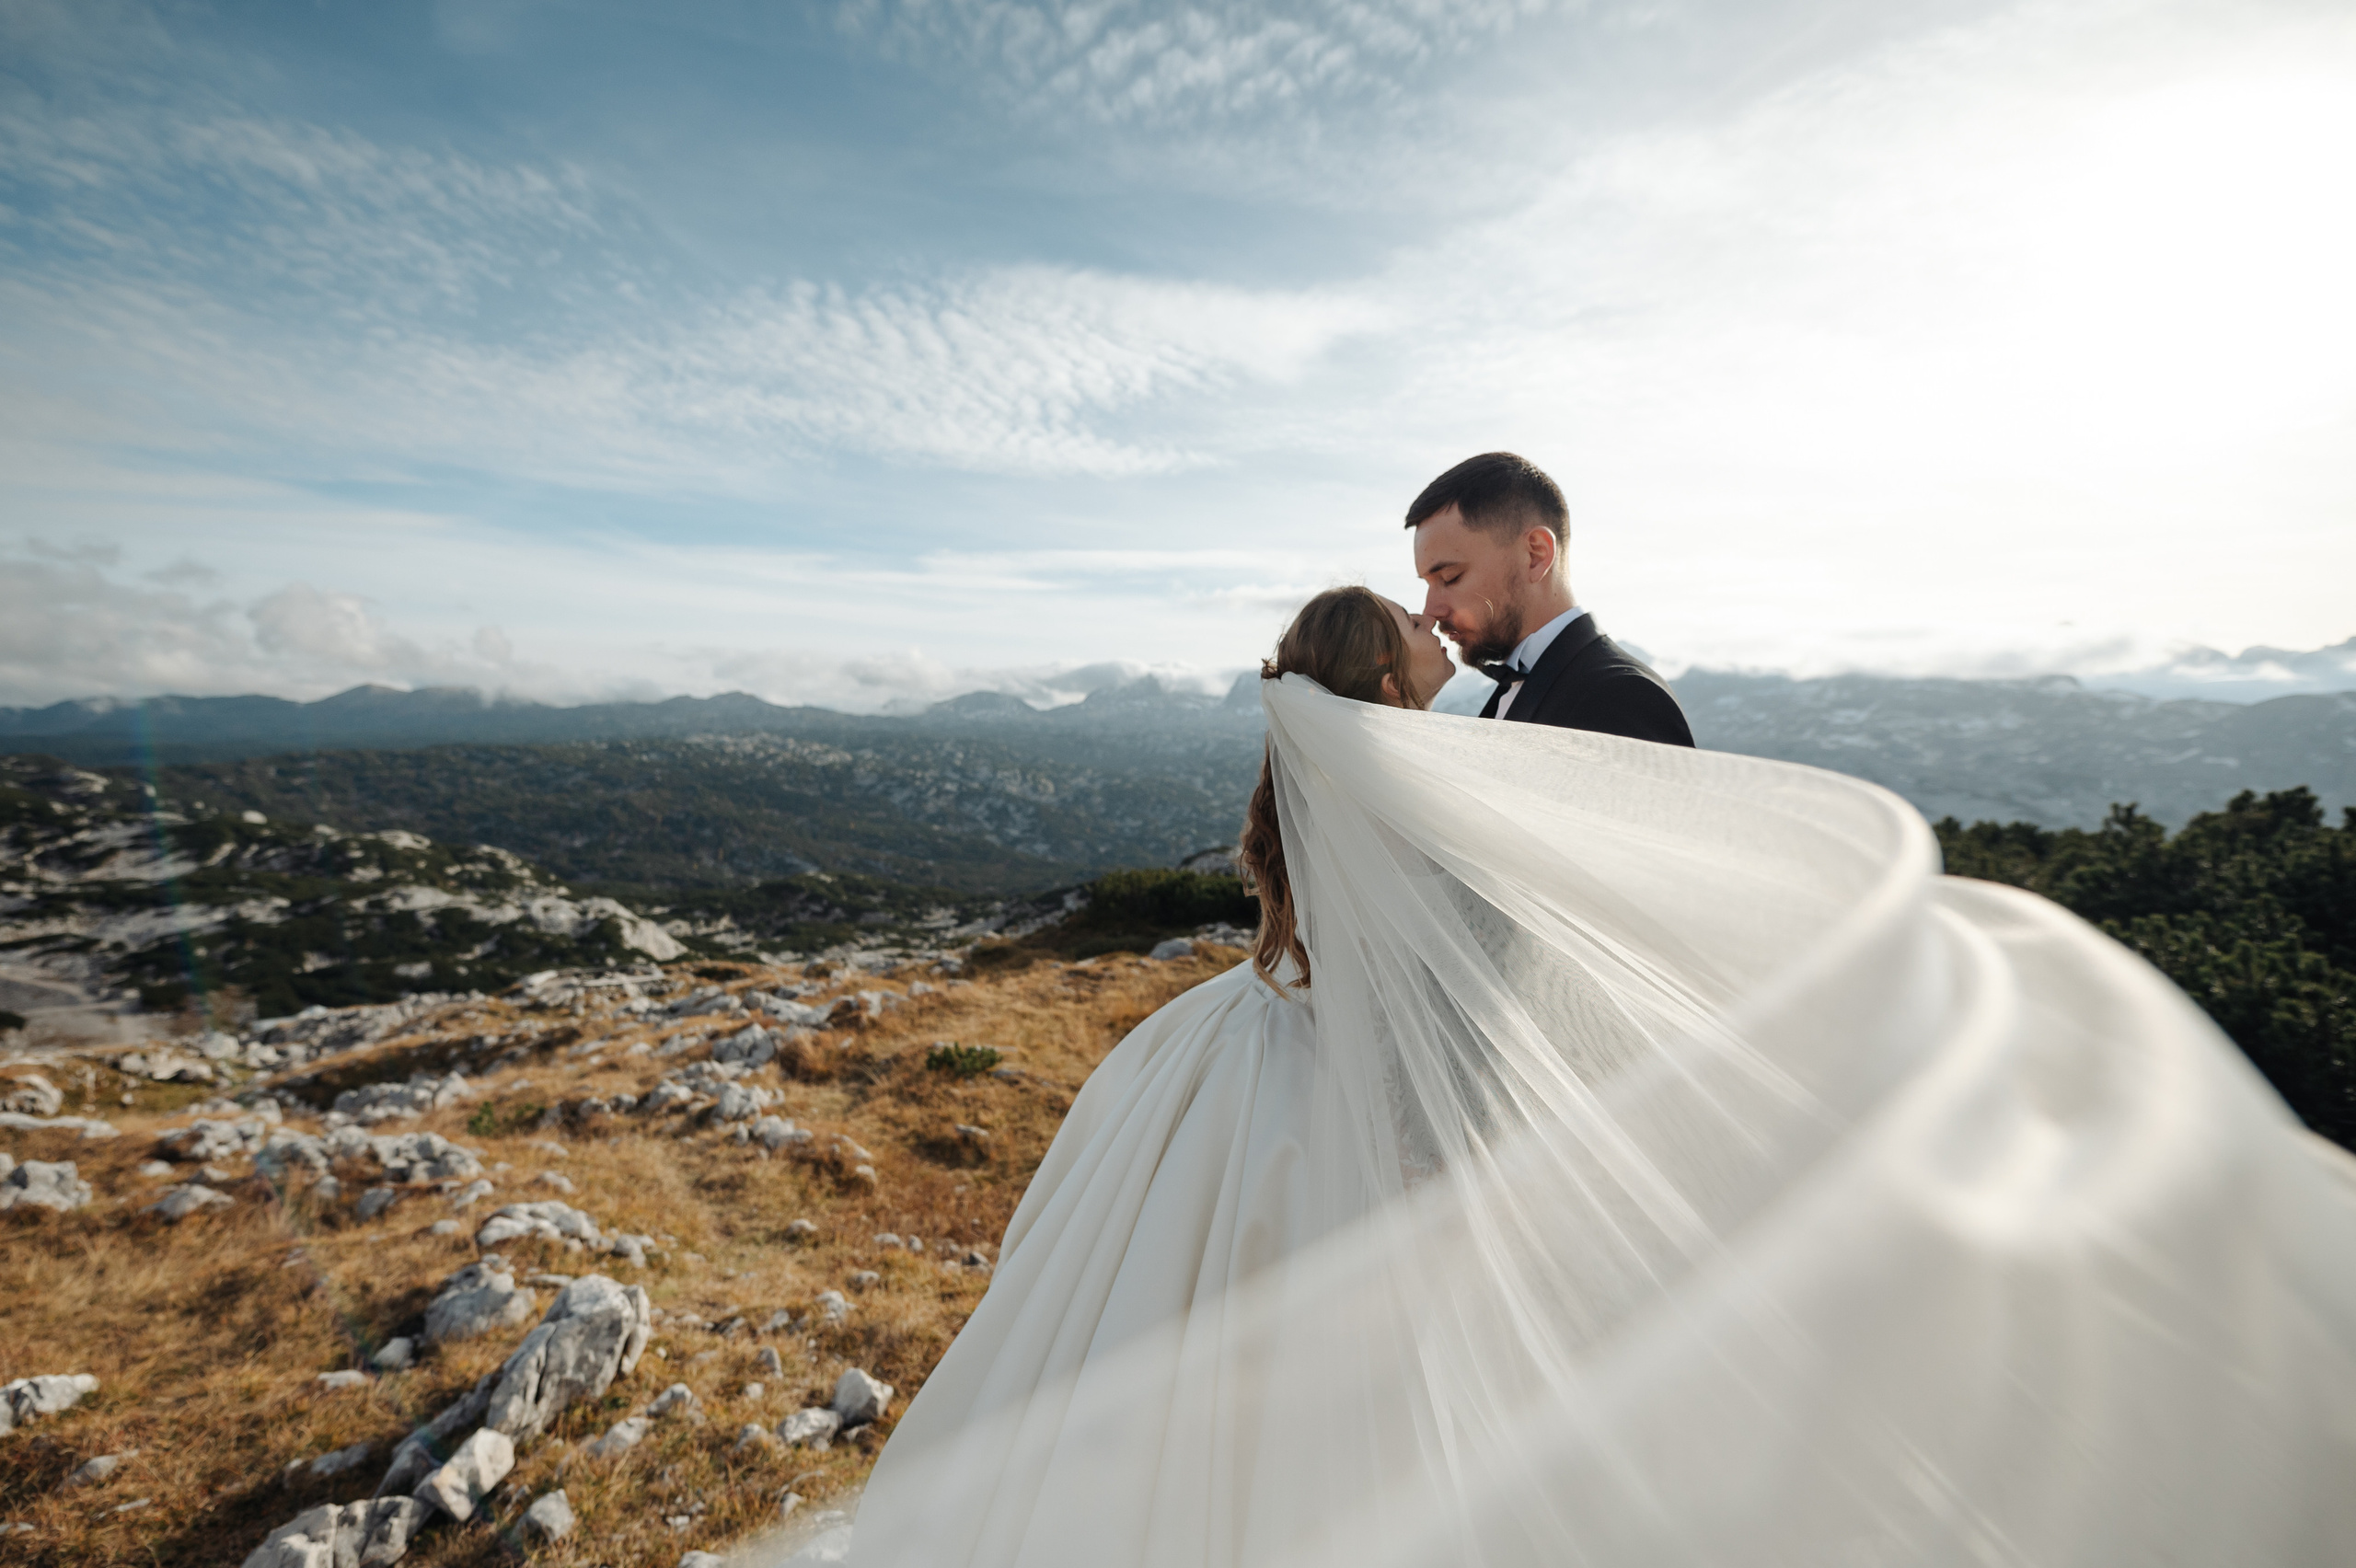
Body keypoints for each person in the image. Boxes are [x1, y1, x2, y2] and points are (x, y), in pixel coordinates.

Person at [825, 587, 2356, 1568]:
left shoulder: (1313, 781)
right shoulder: (1406, 776)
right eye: (1414, 629)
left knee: (1201, 1331)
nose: (1437, 631)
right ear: (1380, 670)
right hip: (1351, 1083)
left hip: (1246, 1045)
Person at [1407, 450, 1693, 744]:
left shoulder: (1622, 696)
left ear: (1535, 555)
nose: (1431, 610)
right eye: (1428, 584)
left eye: (1450, 577)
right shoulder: (1516, 686)